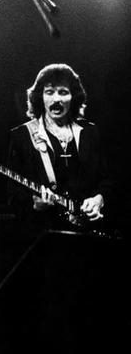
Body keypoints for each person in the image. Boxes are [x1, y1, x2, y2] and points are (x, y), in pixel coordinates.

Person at [6, 63, 112, 235]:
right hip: (43, 235)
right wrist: (33, 203)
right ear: (40, 97)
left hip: (90, 232)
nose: (56, 99)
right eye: (49, 92)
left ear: (74, 97)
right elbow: (12, 196)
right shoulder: (21, 136)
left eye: (63, 92)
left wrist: (99, 199)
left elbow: (107, 180)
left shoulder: (91, 132)